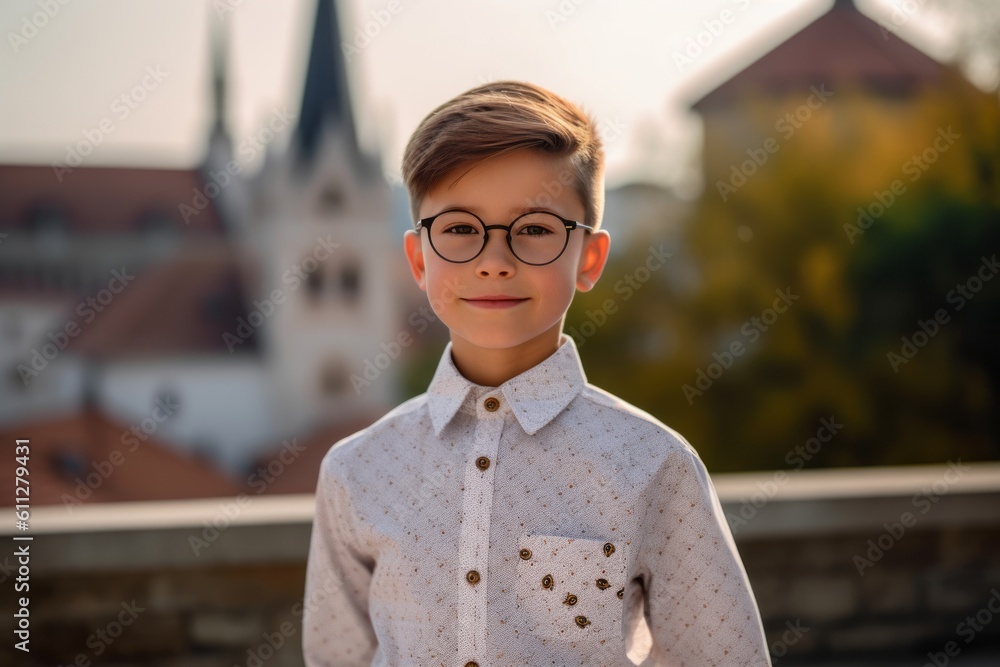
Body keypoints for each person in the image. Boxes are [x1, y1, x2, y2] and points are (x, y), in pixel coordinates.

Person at [302, 80, 770, 666]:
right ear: (419, 259)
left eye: (535, 230)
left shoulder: (653, 464)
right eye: (460, 230)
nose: (494, 262)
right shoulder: (357, 471)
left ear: (590, 259)